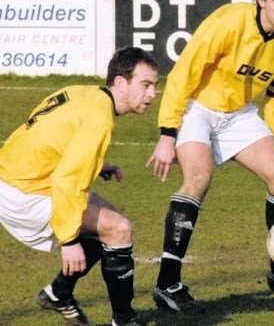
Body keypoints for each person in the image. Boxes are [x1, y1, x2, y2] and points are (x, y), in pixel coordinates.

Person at [146, 0, 274, 312]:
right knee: (198, 177)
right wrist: (168, 132)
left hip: (238, 113)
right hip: (198, 106)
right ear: (260, 0)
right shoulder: (228, 21)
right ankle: (167, 283)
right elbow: (183, 75)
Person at [0, 47, 158, 326]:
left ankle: (59, 293)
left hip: (18, 175)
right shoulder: (100, 118)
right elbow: (67, 181)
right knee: (118, 229)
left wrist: (97, 165)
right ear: (121, 83)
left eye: (154, 86)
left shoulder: (84, 92)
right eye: (145, 85)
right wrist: (69, 240)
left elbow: (45, 131)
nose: (152, 94)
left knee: (107, 226)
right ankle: (124, 320)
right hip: (23, 192)